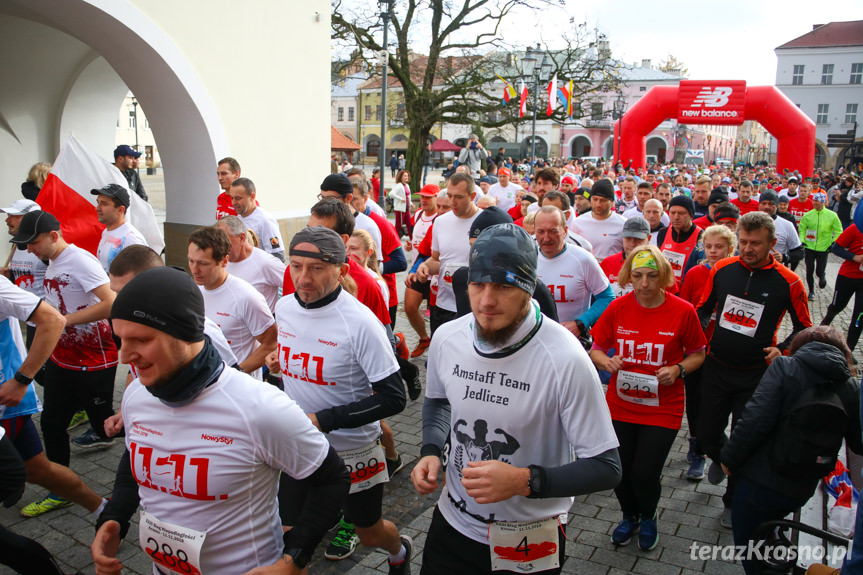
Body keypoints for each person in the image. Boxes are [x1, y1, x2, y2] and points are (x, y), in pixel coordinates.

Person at [91, 266, 349, 575]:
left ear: (185, 332)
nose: (124, 356)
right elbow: (136, 456)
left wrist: (294, 559)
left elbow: (333, 478)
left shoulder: (259, 407)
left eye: (142, 340)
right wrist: (115, 516)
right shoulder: (136, 396)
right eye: (120, 339)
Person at [411, 223, 621, 575]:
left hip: (528, 538)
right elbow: (438, 401)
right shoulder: (448, 338)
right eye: (477, 284)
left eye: (504, 286)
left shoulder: (565, 358)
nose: (486, 301)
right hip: (454, 525)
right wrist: (432, 450)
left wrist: (524, 481)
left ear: (528, 288)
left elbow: (606, 467)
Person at [270, 226, 413, 574]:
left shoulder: (360, 323)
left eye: (316, 268)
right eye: (296, 266)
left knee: (368, 533)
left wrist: (323, 419)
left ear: (342, 270)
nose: (303, 278)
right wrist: (280, 364)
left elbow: (395, 398)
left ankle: (400, 550)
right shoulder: (285, 307)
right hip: (301, 444)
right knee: (289, 541)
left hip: (353, 450)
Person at [696, 211, 812, 529]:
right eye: (744, 242)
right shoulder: (721, 269)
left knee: (745, 440)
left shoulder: (789, 281)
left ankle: (732, 501)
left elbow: (805, 328)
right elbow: (703, 310)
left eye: (756, 244)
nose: (748, 249)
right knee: (706, 433)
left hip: (756, 375)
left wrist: (783, 349)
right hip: (717, 366)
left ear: (772, 243)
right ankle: (720, 458)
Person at [721, 326, 863, 575]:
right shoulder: (851, 386)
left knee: (748, 545)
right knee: (767, 528)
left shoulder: (785, 367)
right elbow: (857, 442)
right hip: (802, 486)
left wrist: (729, 459)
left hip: (760, 481)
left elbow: (754, 420)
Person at [591, 245, 706, 550]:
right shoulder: (618, 307)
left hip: (662, 406)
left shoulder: (683, 311)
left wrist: (678, 369)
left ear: (664, 276)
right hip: (620, 404)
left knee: (645, 472)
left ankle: (649, 515)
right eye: (638, 276)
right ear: (629, 276)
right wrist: (607, 362)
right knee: (619, 472)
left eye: (652, 276)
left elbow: (699, 354)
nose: (644, 284)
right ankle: (629, 516)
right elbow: (596, 349)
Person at [677, 225, 736, 481]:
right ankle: (696, 450)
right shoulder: (694, 273)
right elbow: (685, 308)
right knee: (694, 399)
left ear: (730, 249)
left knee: (714, 404)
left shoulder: (736, 274)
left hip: (724, 350)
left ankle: (715, 447)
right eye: (708, 246)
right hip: (696, 348)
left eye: (719, 247)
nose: (713, 252)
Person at [188, 226, 277, 380]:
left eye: (203, 264)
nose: (195, 270)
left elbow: (271, 343)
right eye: (191, 261)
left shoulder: (246, 296)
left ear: (224, 261)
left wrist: (236, 373)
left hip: (238, 391)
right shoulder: (191, 291)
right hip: (202, 386)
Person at [416, 172, 480, 333]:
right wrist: (424, 267)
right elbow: (437, 260)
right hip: (443, 304)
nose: (453, 202)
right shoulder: (440, 222)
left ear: (472, 196)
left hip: (474, 307)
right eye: (450, 196)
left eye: (458, 197)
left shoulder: (484, 221)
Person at [535, 206, 612, 338]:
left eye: (553, 231)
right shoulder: (528, 258)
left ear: (565, 231)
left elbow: (607, 298)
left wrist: (581, 323)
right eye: (541, 232)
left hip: (574, 340)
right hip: (538, 339)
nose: (546, 238)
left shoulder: (583, 259)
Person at [216, 216, 286, 313]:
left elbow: (296, 285)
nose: (221, 248)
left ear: (241, 238)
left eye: (225, 242)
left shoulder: (266, 262)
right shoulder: (220, 262)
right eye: (218, 243)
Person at [90, 184, 147, 273]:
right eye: (98, 202)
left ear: (120, 210)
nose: (97, 208)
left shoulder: (131, 239)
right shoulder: (106, 232)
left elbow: (142, 276)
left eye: (104, 203)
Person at [229, 177, 286, 262]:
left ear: (252, 196)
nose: (233, 202)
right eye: (232, 198)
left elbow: (278, 256)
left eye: (238, 198)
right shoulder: (238, 218)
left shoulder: (265, 220)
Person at [799, 191, 843, 300]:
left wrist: (834, 243)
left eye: (817, 201)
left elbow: (838, 230)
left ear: (823, 202)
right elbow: (802, 229)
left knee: (819, 270)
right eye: (813, 200)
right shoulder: (808, 215)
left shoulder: (832, 215)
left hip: (824, 247)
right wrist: (802, 240)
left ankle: (822, 276)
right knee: (809, 270)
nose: (814, 203)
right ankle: (811, 291)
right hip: (809, 246)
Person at [572, 179, 627, 260]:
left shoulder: (623, 223)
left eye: (603, 200)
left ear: (612, 202)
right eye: (595, 199)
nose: (598, 204)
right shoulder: (578, 222)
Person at [600, 217, 652, 298]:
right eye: (628, 238)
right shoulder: (607, 263)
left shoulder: (659, 265)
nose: (632, 244)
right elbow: (598, 298)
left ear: (649, 238)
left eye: (638, 239)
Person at [656, 196, 703, 282]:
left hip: (687, 289)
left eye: (681, 213)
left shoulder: (701, 236)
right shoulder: (663, 233)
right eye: (673, 213)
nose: (676, 217)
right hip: (665, 288)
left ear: (691, 215)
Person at [758, 190, 803, 270]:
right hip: (753, 271)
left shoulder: (787, 225)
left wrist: (784, 257)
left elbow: (799, 252)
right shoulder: (749, 223)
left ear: (776, 205)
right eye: (764, 203)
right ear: (759, 204)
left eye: (771, 204)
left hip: (776, 271)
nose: (767, 207)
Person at [388, 170, 413, 238]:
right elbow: (391, 194)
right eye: (405, 176)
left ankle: (412, 239)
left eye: (407, 176)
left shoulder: (407, 185)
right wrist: (400, 198)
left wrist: (411, 203)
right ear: (401, 177)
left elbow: (408, 197)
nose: (406, 177)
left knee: (409, 224)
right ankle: (394, 238)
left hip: (406, 208)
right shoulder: (399, 186)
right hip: (400, 209)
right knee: (398, 225)